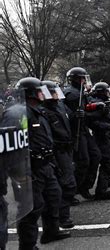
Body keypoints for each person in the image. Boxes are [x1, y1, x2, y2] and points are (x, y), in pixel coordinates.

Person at [15, 77, 71, 249]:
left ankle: (51, 231)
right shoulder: (21, 114)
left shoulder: (39, 111)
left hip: (46, 164)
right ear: (31, 93)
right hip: (30, 168)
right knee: (32, 208)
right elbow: (16, 141)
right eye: (40, 90)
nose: (43, 94)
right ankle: (27, 245)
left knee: (54, 196)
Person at [42, 81, 77, 228]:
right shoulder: (44, 112)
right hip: (57, 151)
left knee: (66, 183)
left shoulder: (61, 106)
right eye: (54, 92)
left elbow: (71, 117)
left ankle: (61, 216)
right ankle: (62, 218)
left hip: (67, 149)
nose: (58, 94)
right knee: (66, 184)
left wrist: (79, 114)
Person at [63, 67, 101, 200]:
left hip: (84, 130)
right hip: (76, 132)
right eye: (83, 78)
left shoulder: (80, 93)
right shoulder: (71, 94)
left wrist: (96, 108)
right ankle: (72, 191)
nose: (85, 81)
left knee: (95, 156)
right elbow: (67, 114)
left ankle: (85, 187)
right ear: (77, 79)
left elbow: (85, 110)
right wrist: (78, 115)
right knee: (82, 161)